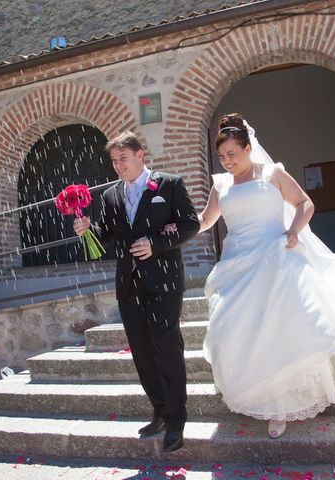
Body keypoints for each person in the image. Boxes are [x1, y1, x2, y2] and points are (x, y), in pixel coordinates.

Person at [197, 113, 335, 438]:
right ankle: (257, 393)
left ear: (247, 148)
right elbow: (204, 221)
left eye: (232, 153)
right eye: (222, 156)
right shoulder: (221, 185)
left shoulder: (272, 173)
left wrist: (293, 231)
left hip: (275, 257)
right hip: (237, 264)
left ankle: (281, 406)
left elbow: (305, 203)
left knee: (279, 329)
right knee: (233, 329)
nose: (227, 161)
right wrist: (173, 226)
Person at [73, 131, 200, 452]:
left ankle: (176, 421)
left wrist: (156, 244)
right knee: (142, 352)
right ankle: (159, 409)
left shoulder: (169, 184)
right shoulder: (111, 196)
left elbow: (191, 225)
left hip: (165, 282)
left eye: (123, 159)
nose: (118, 166)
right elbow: (105, 239)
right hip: (128, 284)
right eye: (114, 161)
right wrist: (87, 231)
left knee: (167, 347)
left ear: (140, 155)